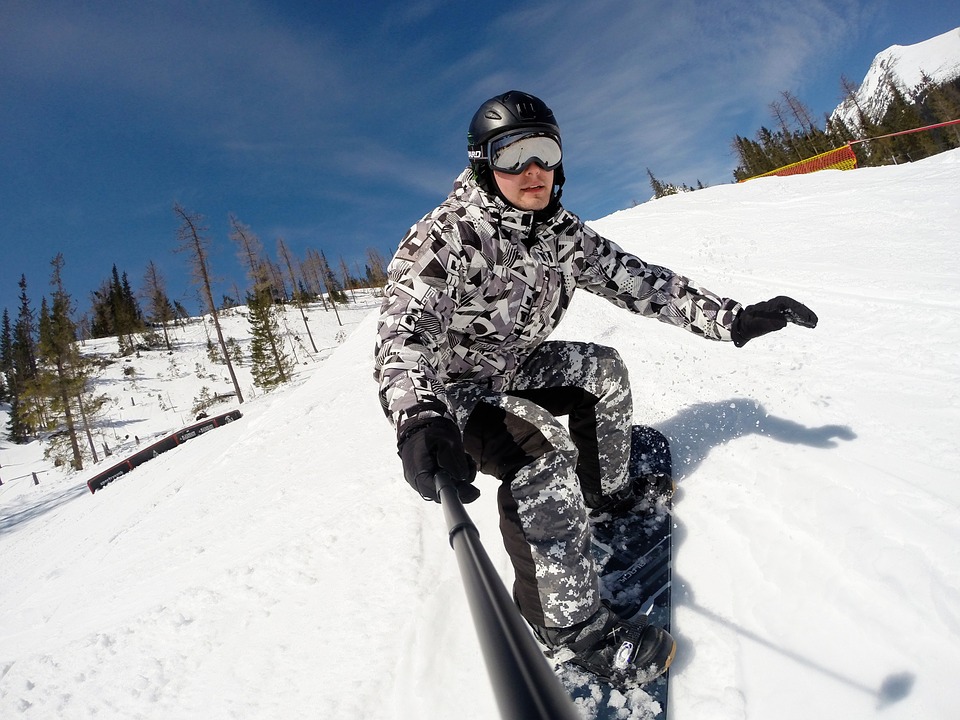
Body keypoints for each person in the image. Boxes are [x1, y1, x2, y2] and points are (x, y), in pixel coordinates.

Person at [373, 90, 817, 685]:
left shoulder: (562, 235)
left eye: (544, 151)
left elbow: (643, 284)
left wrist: (732, 318)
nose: (532, 170)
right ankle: (571, 628)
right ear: (484, 164)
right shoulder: (447, 238)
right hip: (452, 391)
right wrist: (420, 419)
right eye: (512, 156)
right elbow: (403, 331)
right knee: (539, 458)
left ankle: (600, 494)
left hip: (512, 363)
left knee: (600, 369)